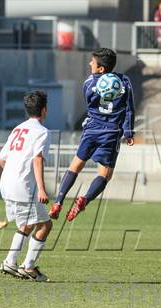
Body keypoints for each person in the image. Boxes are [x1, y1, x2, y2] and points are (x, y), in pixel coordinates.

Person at [50, 48, 135, 222]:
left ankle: (58, 201)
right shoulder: (124, 82)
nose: (90, 64)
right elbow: (129, 109)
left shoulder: (89, 83)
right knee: (105, 175)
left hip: (91, 130)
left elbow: (89, 102)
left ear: (101, 69)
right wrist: (128, 131)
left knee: (75, 166)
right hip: (111, 133)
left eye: (92, 62)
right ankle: (84, 199)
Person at [0, 91, 52, 281]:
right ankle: (27, 266)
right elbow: (38, 160)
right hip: (23, 187)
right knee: (45, 224)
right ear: (44, 110)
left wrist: (13, 173)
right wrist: (42, 188)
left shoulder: (18, 128)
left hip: (6, 183)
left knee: (27, 224)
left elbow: (2, 159)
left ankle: (11, 261)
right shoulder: (42, 132)